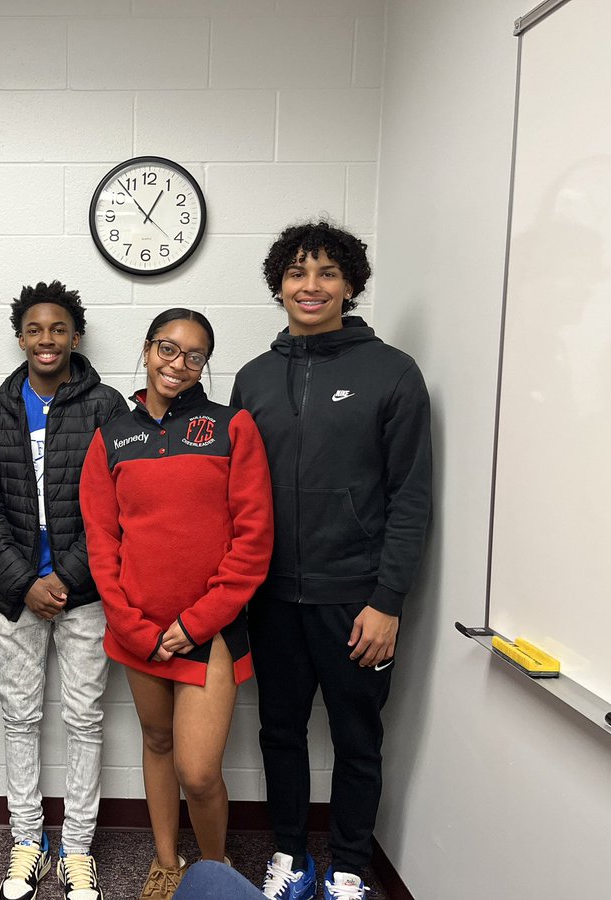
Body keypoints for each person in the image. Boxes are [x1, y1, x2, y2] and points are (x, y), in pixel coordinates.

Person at [230, 222, 432, 900]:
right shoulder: (254, 378)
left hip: (357, 601)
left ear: (350, 284)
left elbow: (411, 497)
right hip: (272, 600)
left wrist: (388, 602)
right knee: (279, 732)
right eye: (296, 272)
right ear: (278, 285)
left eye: (325, 273)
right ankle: (289, 855)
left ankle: (347, 866)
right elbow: (235, 494)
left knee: (357, 738)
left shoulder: (393, 373)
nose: (309, 286)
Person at [80, 309, 274, 900]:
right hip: (139, 631)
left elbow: (253, 538)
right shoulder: (113, 435)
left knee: (198, 769)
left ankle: (214, 873)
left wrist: (195, 624)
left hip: (207, 631)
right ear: (146, 350)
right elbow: (101, 540)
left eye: (195, 355)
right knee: (158, 744)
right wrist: (132, 625)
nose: (179, 363)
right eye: (168, 348)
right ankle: (167, 862)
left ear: (205, 365)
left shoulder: (230, 427)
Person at [0, 281, 128, 900]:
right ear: (21, 337)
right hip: (14, 598)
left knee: (85, 718)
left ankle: (78, 846)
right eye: (35, 329)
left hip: (85, 596)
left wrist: (67, 576)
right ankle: (27, 841)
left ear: (76, 336)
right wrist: (24, 582)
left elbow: (118, 508)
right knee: (20, 718)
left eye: (58, 329)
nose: (46, 339)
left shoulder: (107, 407)